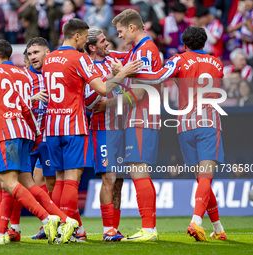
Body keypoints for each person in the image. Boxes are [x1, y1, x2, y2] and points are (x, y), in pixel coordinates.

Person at [0, 42, 77, 245]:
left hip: (7, 131)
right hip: (25, 131)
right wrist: (35, 132)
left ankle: (47, 218)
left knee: (6, 181)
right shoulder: (22, 74)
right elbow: (25, 106)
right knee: (27, 182)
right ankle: (66, 221)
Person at [41, 18, 140, 243]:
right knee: (79, 179)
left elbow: (137, 70)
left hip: (57, 125)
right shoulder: (82, 60)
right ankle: (75, 227)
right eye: (98, 40)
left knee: (66, 179)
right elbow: (96, 95)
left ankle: (86, 228)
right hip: (87, 126)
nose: (108, 43)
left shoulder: (50, 59)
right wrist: (121, 75)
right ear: (82, 39)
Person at [134, 26, 227, 241]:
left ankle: (219, 229)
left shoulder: (179, 59)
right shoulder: (218, 63)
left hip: (185, 124)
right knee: (206, 177)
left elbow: (157, 77)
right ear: (205, 43)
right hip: (209, 122)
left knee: (201, 179)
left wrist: (130, 71)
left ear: (184, 44)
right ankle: (196, 221)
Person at [109, 9, 163, 242]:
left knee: (139, 169)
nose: (119, 35)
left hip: (142, 117)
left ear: (132, 28)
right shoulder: (136, 51)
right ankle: (146, 227)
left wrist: (109, 102)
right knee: (135, 169)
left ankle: (149, 229)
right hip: (135, 118)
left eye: (120, 31)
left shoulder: (146, 51)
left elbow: (141, 92)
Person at [84, 28, 127, 241]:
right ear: (92, 46)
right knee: (109, 178)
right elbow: (91, 102)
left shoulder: (116, 58)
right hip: (102, 129)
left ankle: (114, 229)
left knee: (119, 180)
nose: (107, 43)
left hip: (123, 127)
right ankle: (107, 229)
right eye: (102, 41)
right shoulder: (86, 66)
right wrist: (116, 76)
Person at [25, 37, 58, 240]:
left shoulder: (55, 73)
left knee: (51, 182)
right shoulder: (24, 76)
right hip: (30, 136)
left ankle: (58, 222)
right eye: (29, 54)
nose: (33, 57)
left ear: (47, 52)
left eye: (36, 52)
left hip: (50, 135)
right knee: (32, 183)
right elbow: (12, 102)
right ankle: (48, 222)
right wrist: (31, 98)